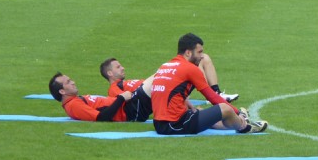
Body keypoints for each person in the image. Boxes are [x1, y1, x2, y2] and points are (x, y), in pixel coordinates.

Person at [151, 33, 267, 135]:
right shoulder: (190, 68)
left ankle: (237, 119)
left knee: (202, 112)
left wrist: (186, 104)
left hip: (160, 124)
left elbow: (168, 92)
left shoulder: (165, 66)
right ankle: (244, 126)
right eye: (199, 52)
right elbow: (212, 97)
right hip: (175, 125)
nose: (202, 56)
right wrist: (236, 111)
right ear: (188, 53)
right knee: (224, 109)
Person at [100, 56, 239, 104]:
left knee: (203, 57)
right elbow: (123, 99)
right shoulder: (113, 88)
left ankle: (216, 92)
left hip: (161, 84)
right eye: (118, 67)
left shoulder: (124, 83)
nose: (123, 68)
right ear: (110, 73)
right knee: (193, 64)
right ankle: (213, 96)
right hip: (161, 89)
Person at [49, 72, 149, 122]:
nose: (73, 82)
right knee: (155, 83)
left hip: (129, 106)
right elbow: (101, 117)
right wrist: (121, 98)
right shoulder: (73, 105)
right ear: (62, 91)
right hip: (130, 110)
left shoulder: (74, 101)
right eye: (68, 82)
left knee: (155, 80)